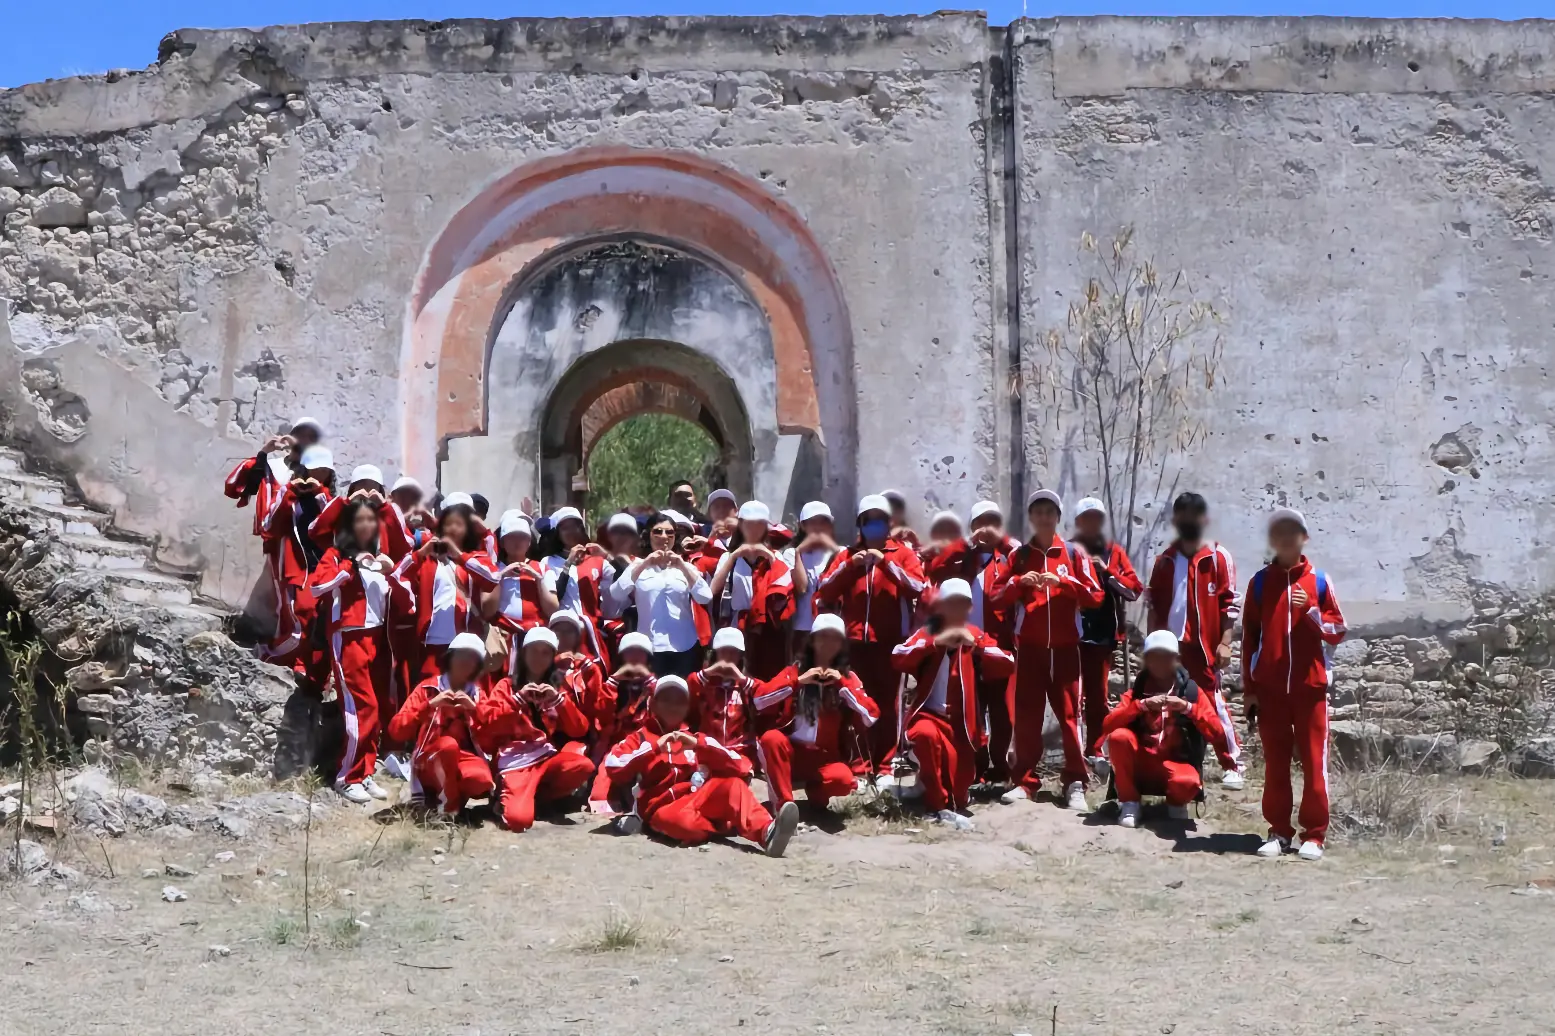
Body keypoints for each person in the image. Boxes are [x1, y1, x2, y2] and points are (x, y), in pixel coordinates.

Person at [1242, 507, 1347, 861]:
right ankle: (1278, 832)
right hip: (1270, 691)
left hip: (1310, 689)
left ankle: (1314, 835)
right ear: (1272, 540)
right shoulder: (1259, 583)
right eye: (1279, 532)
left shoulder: (1319, 582)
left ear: (1305, 537)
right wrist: (1250, 690)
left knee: (1315, 763)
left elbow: (1337, 631)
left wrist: (1311, 611)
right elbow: (1250, 639)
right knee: (1275, 764)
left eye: (1293, 531)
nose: (1286, 538)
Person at [603, 676, 801, 856]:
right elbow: (613, 766)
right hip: (662, 808)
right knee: (682, 823)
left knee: (733, 786)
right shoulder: (639, 739)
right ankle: (723, 826)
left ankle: (767, 832)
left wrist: (700, 745)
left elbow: (740, 765)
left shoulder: (694, 738)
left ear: (687, 707)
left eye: (680, 701)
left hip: (698, 797)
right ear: (653, 704)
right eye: (666, 699)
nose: (673, 706)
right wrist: (654, 748)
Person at [996, 490, 1105, 811]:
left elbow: (1095, 596)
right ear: (1031, 517)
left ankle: (1075, 783)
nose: (1044, 517)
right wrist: (1019, 583)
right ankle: (1024, 782)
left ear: (1058, 517)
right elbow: (996, 597)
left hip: (1066, 649)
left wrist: (1064, 584)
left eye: (1049, 512)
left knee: (1070, 717)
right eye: (1038, 512)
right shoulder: (1019, 556)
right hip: (1030, 649)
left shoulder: (1073, 554)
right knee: (1027, 716)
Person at [308, 498, 416, 803]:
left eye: (371, 519)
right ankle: (347, 777)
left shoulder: (380, 558)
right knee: (361, 707)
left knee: (376, 707)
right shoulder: (336, 555)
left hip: (378, 639)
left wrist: (391, 571)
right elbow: (317, 587)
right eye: (360, 519)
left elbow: (405, 601)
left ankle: (364, 772)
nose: (367, 525)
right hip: (348, 637)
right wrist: (351, 564)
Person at [813, 494, 926, 777]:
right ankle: (860, 766)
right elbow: (825, 588)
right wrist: (851, 566)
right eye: (868, 521)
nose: (873, 526)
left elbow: (917, 586)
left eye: (879, 520)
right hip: (853, 643)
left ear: (888, 524)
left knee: (888, 704)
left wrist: (886, 563)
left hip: (889, 641)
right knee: (856, 702)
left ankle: (885, 766)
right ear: (860, 525)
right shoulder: (847, 555)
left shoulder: (902, 553)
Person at [891, 579, 1015, 829]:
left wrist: (977, 646)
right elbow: (898, 655)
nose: (958, 609)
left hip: (961, 725)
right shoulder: (928, 631)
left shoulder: (974, 634)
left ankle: (928, 786)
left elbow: (1007, 661)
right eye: (952, 603)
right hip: (929, 716)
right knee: (925, 736)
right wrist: (936, 642)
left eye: (963, 604)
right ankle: (936, 806)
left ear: (970, 608)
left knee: (959, 796)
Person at [1147, 492, 1245, 788]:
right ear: (1176, 520)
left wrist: (1225, 642)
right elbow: (1154, 606)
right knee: (1165, 704)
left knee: (1211, 703)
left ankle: (1232, 763)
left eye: (1195, 515)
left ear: (1204, 519)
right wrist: (1151, 646)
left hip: (1202, 648)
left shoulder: (1217, 556)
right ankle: (1169, 765)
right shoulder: (1165, 560)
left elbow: (1230, 603)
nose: (1189, 520)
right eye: (1183, 515)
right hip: (1169, 648)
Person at [924, 500, 1016, 783]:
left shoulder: (1008, 557)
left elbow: (1024, 558)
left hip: (998, 645)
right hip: (966, 646)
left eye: (993, 522)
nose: (987, 529)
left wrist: (1004, 541)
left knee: (1003, 711)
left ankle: (1002, 767)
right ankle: (976, 767)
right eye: (981, 522)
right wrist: (965, 543)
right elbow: (935, 569)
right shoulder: (963, 558)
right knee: (972, 709)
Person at [1102, 631, 1231, 829]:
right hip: (1141, 764)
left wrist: (1188, 708)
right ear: (1146, 660)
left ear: (1176, 659)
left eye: (1166, 657)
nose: (1159, 663)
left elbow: (1217, 732)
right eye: (1154, 657)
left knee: (1187, 781)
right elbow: (1108, 725)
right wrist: (1141, 706)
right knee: (1119, 737)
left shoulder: (1191, 691)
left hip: (1174, 764)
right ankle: (1129, 802)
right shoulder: (1137, 691)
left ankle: (1176, 804)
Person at [755, 613, 879, 812]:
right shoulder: (794, 671)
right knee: (771, 739)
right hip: (791, 753)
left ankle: (816, 797)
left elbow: (871, 715)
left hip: (824, 757)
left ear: (842, 645)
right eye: (823, 636)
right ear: (812, 641)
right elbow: (759, 700)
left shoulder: (848, 677)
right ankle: (784, 807)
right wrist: (798, 681)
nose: (828, 643)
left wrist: (841, 683)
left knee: (844, 780)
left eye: (835, 638)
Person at [476, 627, 595, 832]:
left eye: (545, 653)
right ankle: (506, 794)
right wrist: (518, 700)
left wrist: (559, 702)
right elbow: (487, 725)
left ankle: (536, 799)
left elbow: (579, 729)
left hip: (545, 757)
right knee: (518, 821)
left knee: (582, 765)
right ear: (523, 653)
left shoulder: (557, 687)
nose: (539, 658)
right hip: (514, 762)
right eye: (533, 651)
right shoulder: (506, 686)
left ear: (552, 657)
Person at [1070, 497, 1144, 768]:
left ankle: (1095, 749)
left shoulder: (1114, 552)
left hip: (1103, 634)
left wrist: (1108, 572)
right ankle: (1073, 752)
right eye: (1086, 518)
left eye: (1097, 518)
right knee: (1072, 695)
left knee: (1098, 696)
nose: (1092, 523)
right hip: (1071, 633)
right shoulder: (1067, 550)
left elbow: (1134, 590)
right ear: (1078, 522)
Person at [387, 632, 495, 817]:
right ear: (450, 657)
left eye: (472, 658)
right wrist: (429, 706)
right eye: (461, 655)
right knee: (448, 746)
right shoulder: (427, 688)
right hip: (429, 759)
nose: (465, 662)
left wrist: (474, 710)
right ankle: (447, 808)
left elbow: (492, 738)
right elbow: (396, 731)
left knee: (480, 779)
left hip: (463, 757)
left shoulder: (478, 694)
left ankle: (447, 799)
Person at [260, 444, 338, 686]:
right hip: (298, 569)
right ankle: (271, 655)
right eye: (315, 470)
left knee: (322, 622)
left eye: (324, 470)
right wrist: (290, 493)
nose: (319, 475)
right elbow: (269, 525)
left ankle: (309, 671)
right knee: (300, 618)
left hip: (325, 570)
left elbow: (337, 528)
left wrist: (320, 495)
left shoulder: (330, 499)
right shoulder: (289, 494)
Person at [402, 492, 499, 681]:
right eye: (448, 523)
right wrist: (420, 553)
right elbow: (397, 576)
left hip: (469, 643)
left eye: (460, 523)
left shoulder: (476, 558)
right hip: (433, 644)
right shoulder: (427, 559)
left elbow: (493, 578)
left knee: (469, 694)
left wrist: (460, 556)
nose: (453, 528)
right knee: (433, 694)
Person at [610, 513, 713, 678]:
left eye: (669, 532)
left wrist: (681, 565)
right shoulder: (636, 566)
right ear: (648, 535)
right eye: (657, 531)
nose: (664, 537)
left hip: (684, 645)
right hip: (650, 646)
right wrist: (645, 563)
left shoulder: (687, 567)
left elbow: (705, 597)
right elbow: (617, 594)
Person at [706, 501, 794, 680]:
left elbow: (785, 588)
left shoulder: (777, 556)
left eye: (759, 524)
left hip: (768, 626)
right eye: (749, 524)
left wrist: (769, 556)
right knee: (736, 676)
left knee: (768, 676)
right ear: (740, 525)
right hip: (737, 624)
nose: (754, 529)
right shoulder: (727, 556)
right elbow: (712, 590)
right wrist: (734, 556)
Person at [586, 631, 659, 815]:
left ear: (648, 657)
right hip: (617, 747)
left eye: (640, 652)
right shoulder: (612, 683)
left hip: (648, 746)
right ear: (621, 657)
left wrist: (649, 680)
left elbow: (665, 711)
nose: (635, 657)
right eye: (629, 652)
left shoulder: (656, 686)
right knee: (601, 800)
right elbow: (602, 716)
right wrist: (614, 681)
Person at [481, 510, 558, 673]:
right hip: (503, 640)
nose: (517, 542)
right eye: (511, 537)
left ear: (529, 542)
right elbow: (487, 611)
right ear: (502, 542)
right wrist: (500, 577)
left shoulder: (542, 568)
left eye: (522, 537)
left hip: (535, 639)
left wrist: (538, 579)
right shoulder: (492, 570)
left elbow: (552, 609)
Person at [540, 506, 613, 662]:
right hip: (562, 632)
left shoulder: (597, 560)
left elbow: (622, 583)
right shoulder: (548, 562)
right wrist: (568, 564)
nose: (571, 531)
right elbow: (554, 599)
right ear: (557, 533)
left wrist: (607, 556)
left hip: (591, 633)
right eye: (565, 528)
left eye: (575, 526)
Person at [688, 627, 761, 765]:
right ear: (715, 653)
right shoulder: (703, 682)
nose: (728, 656)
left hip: (739, 751)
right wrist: (710, 671)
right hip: (708, 750)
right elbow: (688, 690)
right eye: (723, 651)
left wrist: (741, 678)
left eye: (733, 652)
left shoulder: (747, 684)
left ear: (740, 655)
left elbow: (764, 694)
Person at [781, 501, 841, 658]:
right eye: (813, 522)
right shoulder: (791, 554)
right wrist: (799, 552)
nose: (819, 527)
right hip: (803, 627)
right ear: (803, 526)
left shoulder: (840, 552)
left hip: (831, 627)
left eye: (823, 522)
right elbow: (801, 588)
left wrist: (832, 547)